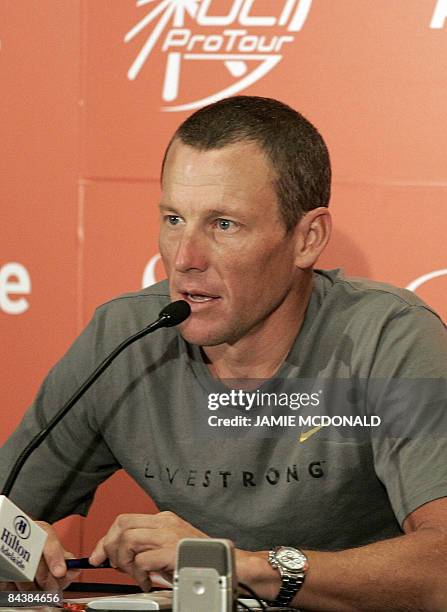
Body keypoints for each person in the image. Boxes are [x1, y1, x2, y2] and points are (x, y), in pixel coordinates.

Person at [1, 96, 446, 611]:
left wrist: (241, 566)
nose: (185, 259)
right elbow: (8, 506)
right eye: (173, 219)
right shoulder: (125, 337)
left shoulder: (390, 338)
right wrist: (22, 551)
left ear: (307, 238)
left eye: (223, 224)